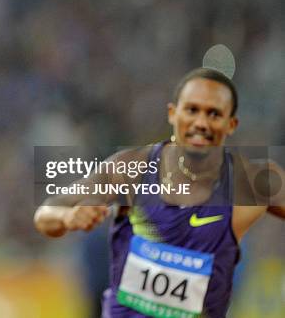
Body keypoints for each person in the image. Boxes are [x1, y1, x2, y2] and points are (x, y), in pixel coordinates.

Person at [34, 68, 284, 318]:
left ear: (231, 124)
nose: (200, 123)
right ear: (172, 114)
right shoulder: (133, 169)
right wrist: (68, 218)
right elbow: (47, 212)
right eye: (192, 110)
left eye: (214, 114)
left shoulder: (254, 182)